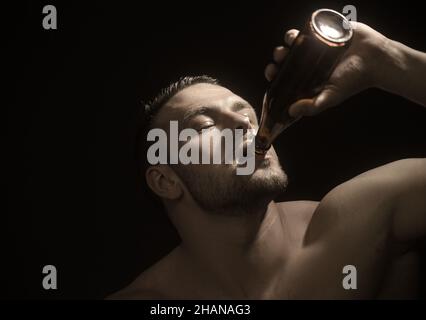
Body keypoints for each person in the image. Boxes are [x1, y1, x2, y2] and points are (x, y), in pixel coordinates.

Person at [108, 22, 426, 299]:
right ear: (165, 180)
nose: (244, 123)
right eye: (204, 126)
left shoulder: (363, 216)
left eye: (246, 112)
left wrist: (390, 62)